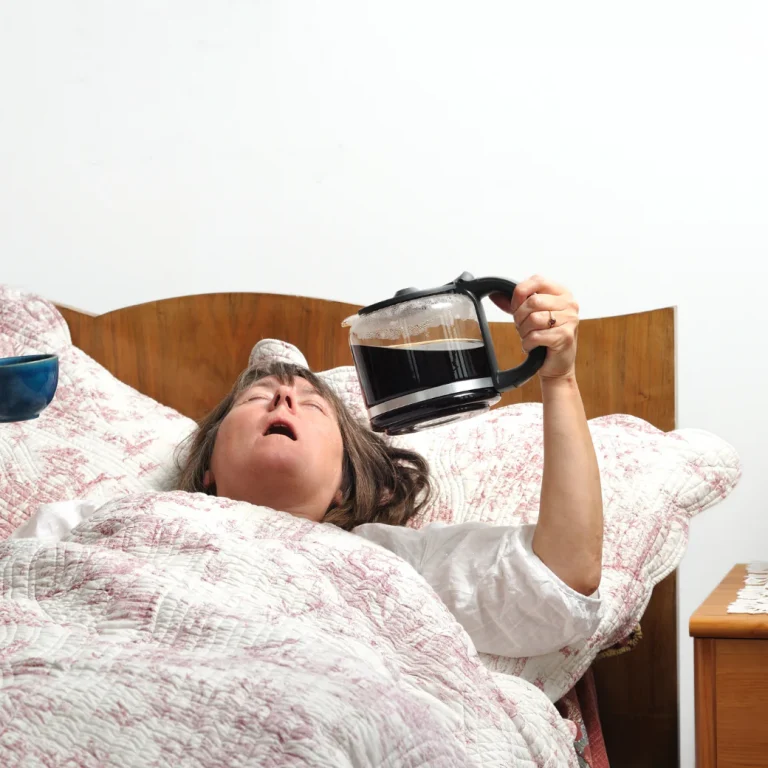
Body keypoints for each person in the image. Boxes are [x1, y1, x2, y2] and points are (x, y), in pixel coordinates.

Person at [174, 275, 604, 659]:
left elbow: (559, 579)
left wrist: (559, 379)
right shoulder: (156, 520)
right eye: (255, 397)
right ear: (207, 466)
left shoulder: (389, 560)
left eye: (313, 405)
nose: (284, 399)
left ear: (343, 483)